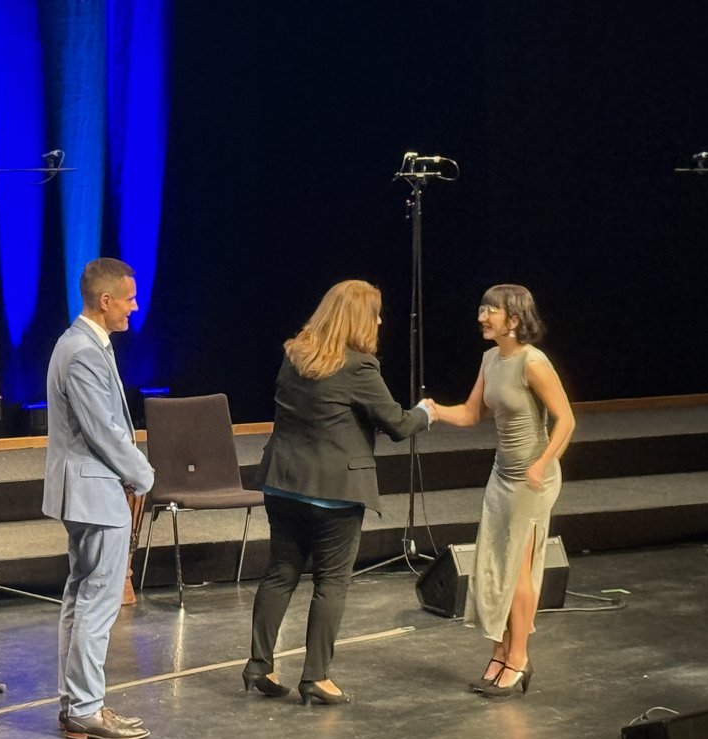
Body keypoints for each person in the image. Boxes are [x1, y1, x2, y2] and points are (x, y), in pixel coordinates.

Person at [244, 279, 434, 706]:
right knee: (331, 582)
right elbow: (398, 425)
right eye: (376, 314)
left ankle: (259, 664)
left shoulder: (294, 355)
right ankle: (316, 676)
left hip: (284, 483)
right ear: (359, 319)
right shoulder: (359, 367)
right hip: (334, 493)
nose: (380, 321)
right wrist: (425, 412)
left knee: (280, 573)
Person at [433, 284, 575, 698]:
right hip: (502, 476)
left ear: (513, 319)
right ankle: (499, 652)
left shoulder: (533, 362)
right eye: (481, 308)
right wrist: (433, 411)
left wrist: (542, 462)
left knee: (517, 570)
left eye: (489, 310)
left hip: (533, 480)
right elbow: (470, 413)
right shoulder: (490, 359)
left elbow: (566, 420)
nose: (481, 317)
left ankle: (519, 657)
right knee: (494, 567)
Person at [43, 257, 155, 739]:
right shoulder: (82, 351)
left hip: (88, 490)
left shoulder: (84, 344)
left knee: (81, 597)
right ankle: (85, 708)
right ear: (105, 300)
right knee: (97, 601)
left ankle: (75, 705)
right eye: (129, 299)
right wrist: (143, 474)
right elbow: (103, 431)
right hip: (95, 491)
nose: (134, 307)